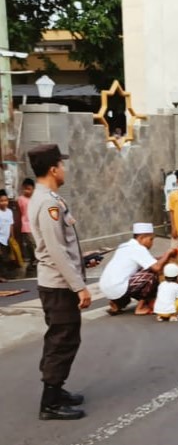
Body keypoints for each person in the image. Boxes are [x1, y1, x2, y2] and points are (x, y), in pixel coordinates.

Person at [27, 144, 90, 420]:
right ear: (53, 169)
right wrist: (80, 286)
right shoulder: (48, 203)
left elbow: (61, 245)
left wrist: (84, 260)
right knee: (62, 340)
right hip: (58, 285)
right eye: (62, 165)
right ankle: (49, 402)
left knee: (62, 337)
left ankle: (56, 389)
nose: (65, 169)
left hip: (57, 280)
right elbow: (55, 250)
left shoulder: (47, 198)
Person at [101, 223, 175, 315]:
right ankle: (140, 308)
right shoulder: (138, 248)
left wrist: (163, 257)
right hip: (119, 286)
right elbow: (156, 267)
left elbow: (150, 260)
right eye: (151, 239)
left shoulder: (126, 245)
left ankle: (116, 303)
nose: (152, 243)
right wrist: (168, 253)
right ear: (141, 238)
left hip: (107, 286)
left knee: (145, 270)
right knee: (151, 274)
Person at [18, 178, 36, 275]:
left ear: (33, 189)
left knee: (34, 245)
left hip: (35, 226)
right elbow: (21, 212)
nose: (26, 191)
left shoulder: (35, 199)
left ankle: (33, 264)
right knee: (32, 245)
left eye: (28, 189)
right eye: (24, 189)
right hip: (26, 226)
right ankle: (34, 262)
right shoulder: (21, 199)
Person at [0, 189, 14, 281]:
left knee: (5, 257)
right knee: (1, 257)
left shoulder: (9, 212)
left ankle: (4, 275)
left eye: (6, 200)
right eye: (1, 201)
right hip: (0, 239)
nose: (4, 203)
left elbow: (11, 224)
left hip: (6, 239)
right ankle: (2, 276)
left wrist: (12, 236)